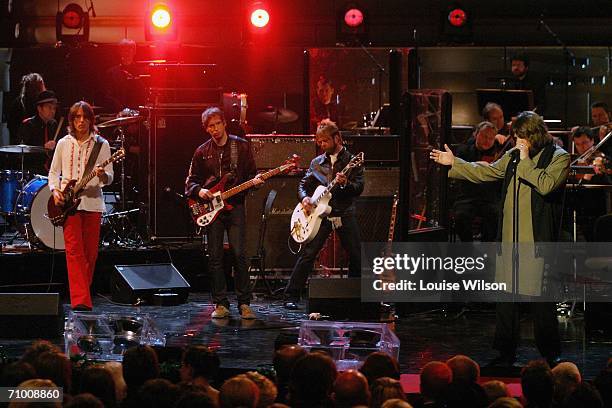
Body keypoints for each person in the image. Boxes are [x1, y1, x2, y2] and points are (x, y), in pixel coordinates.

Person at [430, 111, 570, 366]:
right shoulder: (514, 156)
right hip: (509, 238)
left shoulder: (559, 157)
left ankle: (550, 355)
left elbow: (547, 185)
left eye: (521, 136)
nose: (516, 140)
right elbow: (489, 172)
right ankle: (505, 353)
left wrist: (526, 159)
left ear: (534, 134)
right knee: (506, 300)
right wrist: (455, 163)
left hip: (535, 241)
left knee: (541, 301)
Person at [185, 107, 262, 319]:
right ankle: (220, 303)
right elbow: (190, 181)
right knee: (215, 256)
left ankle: (244, 303)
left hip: (235, 206)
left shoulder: (241, 146)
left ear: (224, 123)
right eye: (210, 126)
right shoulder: (201, 151)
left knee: (239, 254)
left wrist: (255, 182)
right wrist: (199, 190)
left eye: (218, 123)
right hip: (212, 209)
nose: (215, 129)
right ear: (206, 128)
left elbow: (252, 175)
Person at [283, 119, 364, 309]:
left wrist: (344, 183)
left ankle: (354, 298)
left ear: (337, 138)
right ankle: (291, 295)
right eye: (319, 142)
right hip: (321, 215)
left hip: (344, 212)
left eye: (325, 141)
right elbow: (303, 185)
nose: (322, 145)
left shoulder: (352, 161)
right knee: (308, 254)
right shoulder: (316, 163)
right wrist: (304, 198)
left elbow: (359, 187)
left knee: (356, 255)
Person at [48, 101, 113, 311]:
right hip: (69, 204)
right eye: (77, 117)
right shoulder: (63, 143)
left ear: (91, 120)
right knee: (74, 251)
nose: (81, 121)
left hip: (92, 202)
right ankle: (81, 300)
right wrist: (55, 191)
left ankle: (82, 293)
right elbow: (53, 173)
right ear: (72, 120)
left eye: (85, 117)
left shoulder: (101, 144)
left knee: (90, 253)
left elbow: (110, 177)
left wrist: (103, 175)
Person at [452, 121, 502, 242]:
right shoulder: (464, 151)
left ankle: (487, 249)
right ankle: (467, 249)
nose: (487, 140)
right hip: (467, 196)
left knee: (496, 215)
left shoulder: (499, 153)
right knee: (461, 216)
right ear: (476, 134)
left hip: (489, 198)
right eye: (484, 136)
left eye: (491, 138)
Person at [17, 90, 60, 174]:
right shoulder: (28, 125)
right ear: (39, 108)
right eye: (49, 107)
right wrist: (43, 148)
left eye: (54, 108)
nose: (52, 111)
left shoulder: (53, 124)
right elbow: (21, 153)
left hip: (51, 171)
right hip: (33, 171)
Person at [7, 72, 46, 144]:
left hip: (19, 146)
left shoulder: (16, 103)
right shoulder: (41, 105)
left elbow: (11, 127)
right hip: (37, 145)